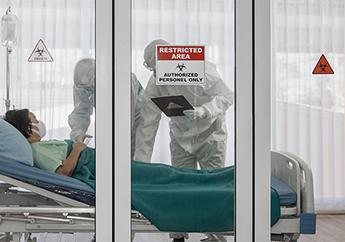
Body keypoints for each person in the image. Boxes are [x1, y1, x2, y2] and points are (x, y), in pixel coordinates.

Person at [133, 39, 234, 242]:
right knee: (178, 188)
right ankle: (178, 236)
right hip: (180, 139)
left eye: (155, 67)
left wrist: (205, 111)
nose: (154, 73)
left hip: (210, 137)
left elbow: (227, 96)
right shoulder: (155, 83)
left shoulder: (202, 69)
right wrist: (139, 168)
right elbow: (147, 127)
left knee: (212, 189)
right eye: (151, 69)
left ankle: (216, 236)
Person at [68, 58, 143, 158]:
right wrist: (78, 134)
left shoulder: (123, 80)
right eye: (87, 89)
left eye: (92, 88)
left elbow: (126, 118)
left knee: (132, 151)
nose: (89, 92)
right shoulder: (81, 84)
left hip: (137, 114)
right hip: (109, 114)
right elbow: (80, 112)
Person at [5, 109, 95, 189]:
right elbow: (63, 172)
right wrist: (77, 150)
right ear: (28, 129)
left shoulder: (40, 146)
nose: (39, 122)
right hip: (89, 163)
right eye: (35, 119)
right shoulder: (37, 150)